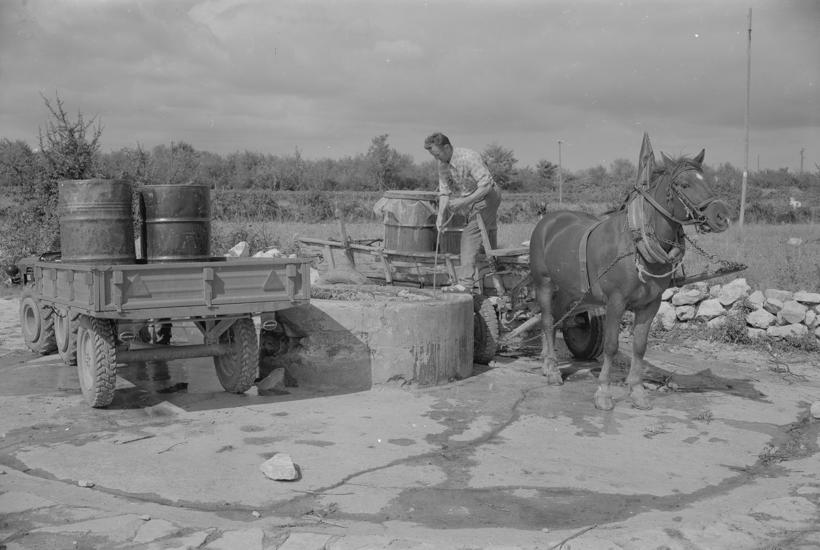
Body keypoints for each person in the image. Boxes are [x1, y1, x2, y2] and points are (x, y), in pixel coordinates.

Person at [424, 132, 501, 293]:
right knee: (486, 233)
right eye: (434, 156)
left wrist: (464, 202)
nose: (436, 158)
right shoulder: (442, 164)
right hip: (472, 201)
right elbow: (444, 192)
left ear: (447, 147)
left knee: (470, 234)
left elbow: (486, 186)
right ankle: (493, 274)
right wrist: (440, 217)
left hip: (487, 196)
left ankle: (465, 283)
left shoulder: (469, 157)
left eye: (437, 154)